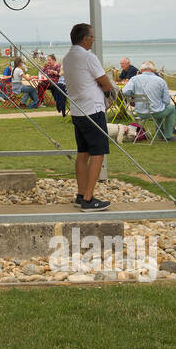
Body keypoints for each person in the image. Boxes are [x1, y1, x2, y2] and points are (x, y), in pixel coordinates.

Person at [62, 24, 113, 210]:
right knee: (98, 154)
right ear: (85, 38)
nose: (93, 40)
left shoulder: (67, 58)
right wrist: (107, 94)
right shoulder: (88, 57)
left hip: (77, 110)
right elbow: (106, 83)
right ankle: (89, 198)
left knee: (82, 153)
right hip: (93, 109)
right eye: (92, 37)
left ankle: (81, 194)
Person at [122, 60, 176, 141]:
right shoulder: (160, 80)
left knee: (158, 108)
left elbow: (125, 91)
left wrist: (132, 95)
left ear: (141, 70)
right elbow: (167, 101)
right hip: (156, 113)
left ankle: (160, 134)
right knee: (171, 108)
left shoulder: (134, 79)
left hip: (140, 113)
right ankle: (168, 135)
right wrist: (160, 104)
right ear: (153, 70)